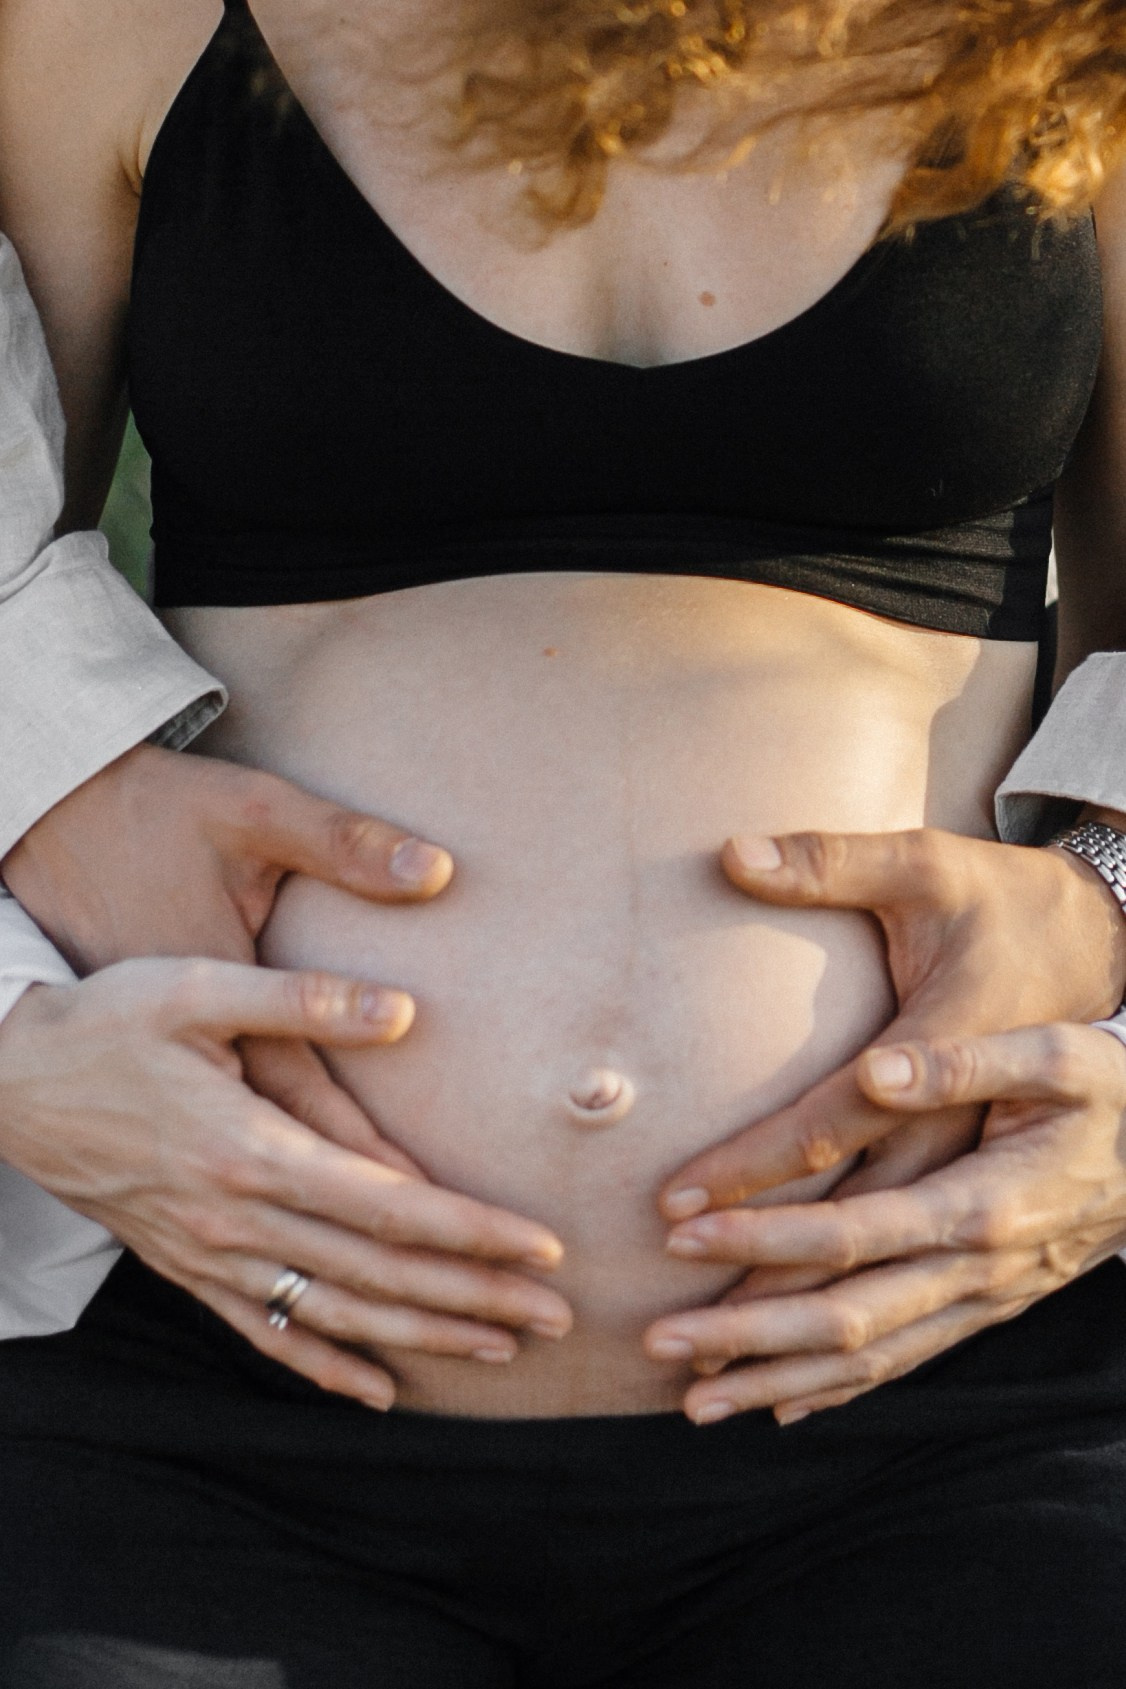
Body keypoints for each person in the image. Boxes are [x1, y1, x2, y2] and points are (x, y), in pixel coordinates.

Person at [4, 0, 1126, 1680]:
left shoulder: (1071, 37)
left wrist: (1112, 908)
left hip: (966, 1402)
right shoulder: (114, 21)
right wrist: (18, 1051)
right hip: (199, 1390)